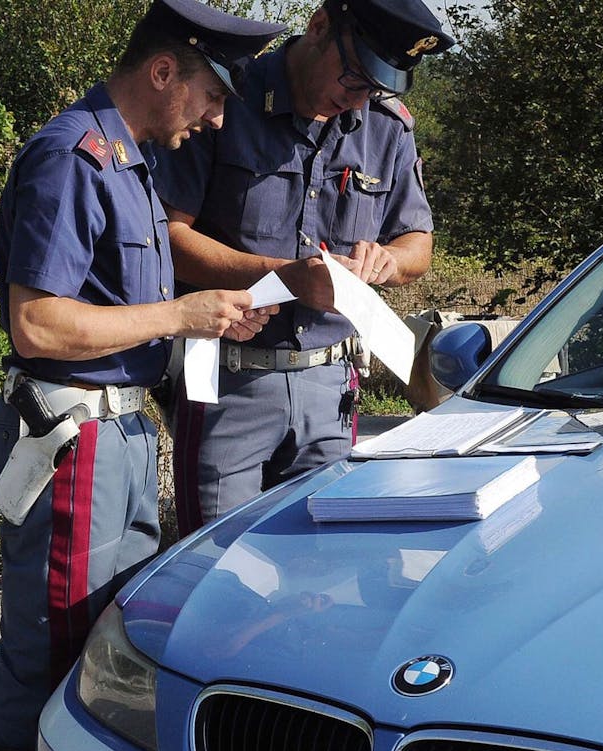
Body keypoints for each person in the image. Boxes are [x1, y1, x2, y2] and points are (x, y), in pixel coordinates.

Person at [0, 1, 286, 751]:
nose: (220, 117)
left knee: (111, 653)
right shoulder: (73, 157)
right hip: (77, 440)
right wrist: (179, 313)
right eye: (215, 94)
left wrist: (205, 322)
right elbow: (38, 320)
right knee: (52, 658)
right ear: (164, 71)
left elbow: (121, 315)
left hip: (123, 430)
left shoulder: (137, 165)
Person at [156, 0, 452, 536]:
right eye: (354, 76)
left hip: (330, 389)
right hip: (228, 376)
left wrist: (388, 260)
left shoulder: (386, 127)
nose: (358, 98)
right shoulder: (225, 101)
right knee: (217, 567)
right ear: (319, 26)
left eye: (374, 88)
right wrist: (286, 277)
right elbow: (170, 238)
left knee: (320, 572)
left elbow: (419, 243)